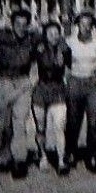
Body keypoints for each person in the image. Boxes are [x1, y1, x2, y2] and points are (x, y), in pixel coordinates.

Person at [0, 8, 38, 179]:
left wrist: (32, 81)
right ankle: (3, 155)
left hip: (23, 83)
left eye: (24, 25)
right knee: (2, 123)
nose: (21, 28)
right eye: (17, 24)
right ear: (12, 24)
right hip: (2, 82)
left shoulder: (32, 39)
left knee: (19, 122)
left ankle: (19, 160)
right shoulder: (0, 37)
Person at [62, 11, 96, 174]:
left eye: (88, 24)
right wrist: (67, 82)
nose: (85, 27)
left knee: (93, 122)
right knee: (73, 121)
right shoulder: (70, 41)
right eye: (82, 24)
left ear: (92, 26)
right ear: (77, 25)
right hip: (74, 82)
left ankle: (93, 156)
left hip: (92, 83)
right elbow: (66, 64)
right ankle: (70, 153)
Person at [29, 21, 72, 174]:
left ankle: (61, 161)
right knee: (41, 127)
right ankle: (43, 155)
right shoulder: (38, 49)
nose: (54, 36)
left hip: (58, 90)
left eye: (56, 33)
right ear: (45, 35)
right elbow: (32, 67)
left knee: (59, 125)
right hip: (41, 90)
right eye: (50, 33)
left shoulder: (65, 49)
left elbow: (70, 68)